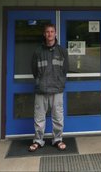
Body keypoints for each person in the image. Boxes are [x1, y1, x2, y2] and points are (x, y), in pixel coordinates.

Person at [28, 24, 69, 152]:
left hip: (57, 89)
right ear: (44, 34)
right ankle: (38, 141)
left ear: (55, 33)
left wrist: (60, 82)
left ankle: (57, 139)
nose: (50, 34)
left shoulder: (62, 51)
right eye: (47, 32)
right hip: (41, 89)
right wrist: (40, 81)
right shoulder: (38, 51)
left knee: (58, 116)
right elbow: (34, 70)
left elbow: (65, 69)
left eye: (52, 31)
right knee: (39, 117)